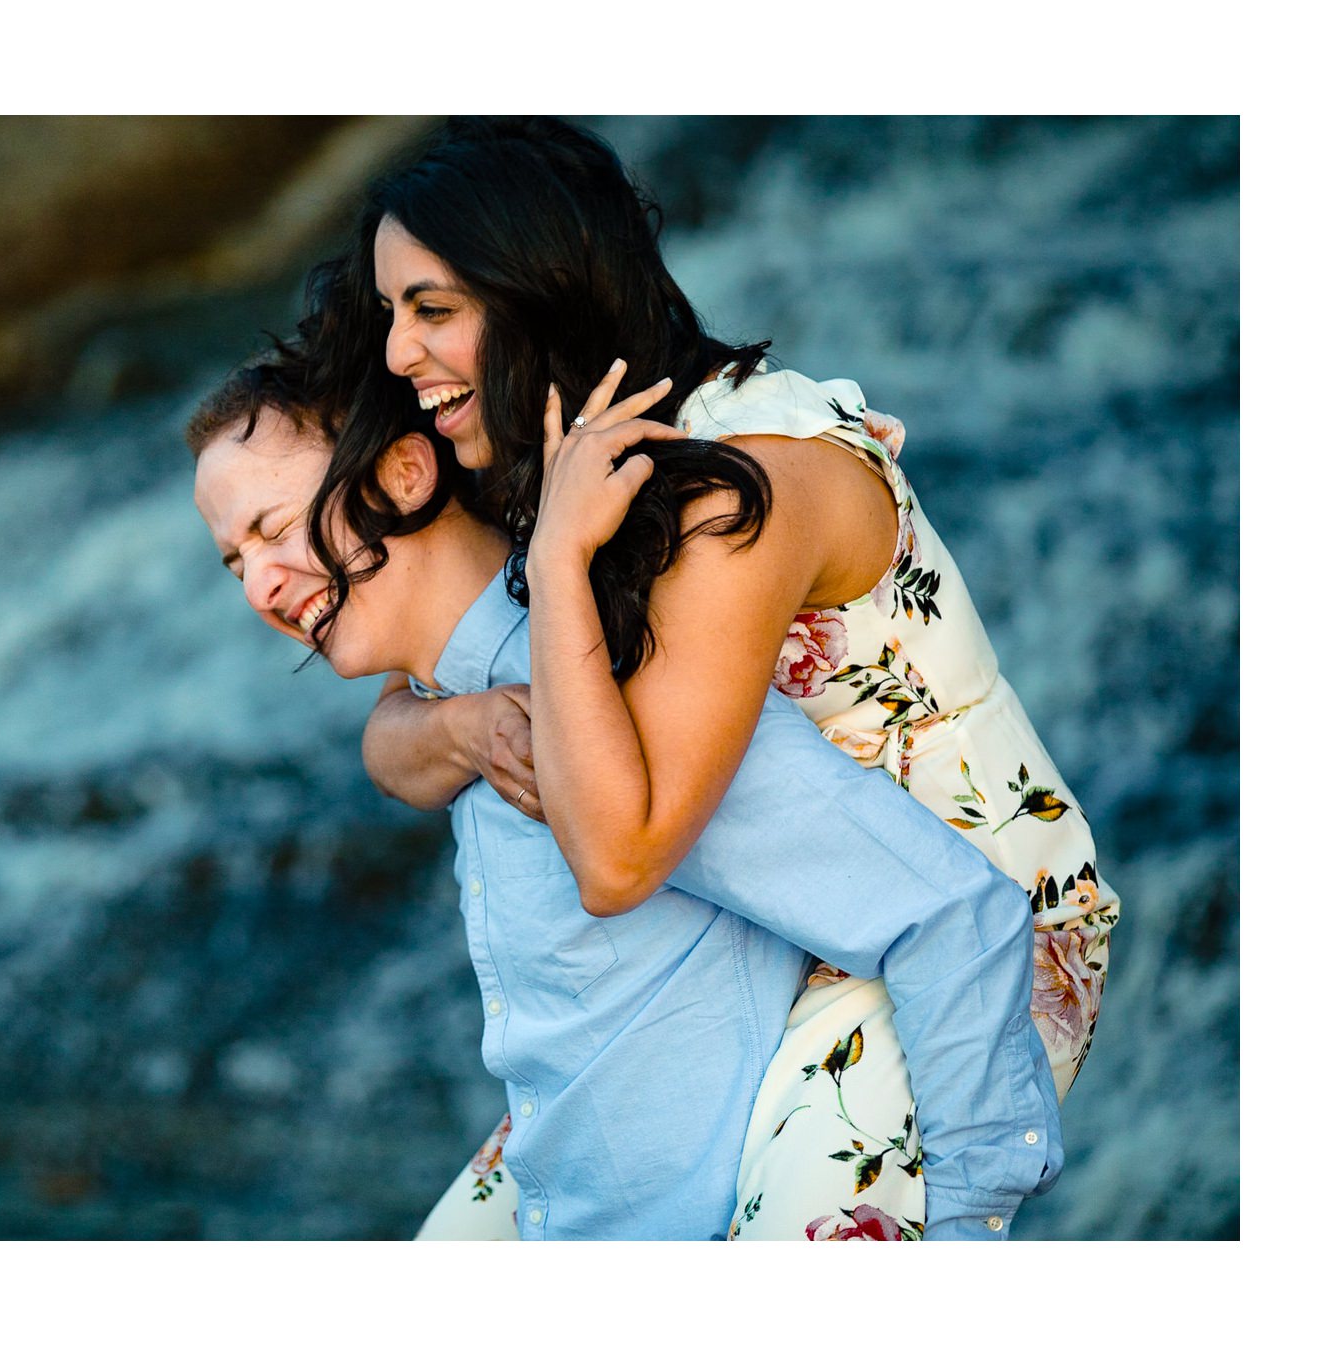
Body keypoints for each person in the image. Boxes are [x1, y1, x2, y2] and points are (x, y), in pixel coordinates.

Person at [335, 117, 1116, 1230]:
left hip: (955, 944)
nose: (398, 356)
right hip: (764, 942)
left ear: (538, 290)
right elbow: (392, 731)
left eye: (433, 311)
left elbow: (617, 859)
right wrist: (468, 730)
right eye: (388, 317)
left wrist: (559, 565)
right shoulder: (560, 466)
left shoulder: (730, 494)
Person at [186, 336, 1060, 1240]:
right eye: (231, 561)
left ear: (406, 474)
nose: (257, 586)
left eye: (273, 530)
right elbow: (395, 742)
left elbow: (953, 913)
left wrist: (963, 1236)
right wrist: (450, 729)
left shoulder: (618, 703)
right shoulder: (467, 707)